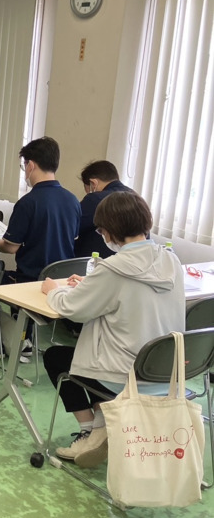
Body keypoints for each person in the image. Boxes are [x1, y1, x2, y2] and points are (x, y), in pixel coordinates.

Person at [40, 191, 184, 467]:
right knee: (99, 352)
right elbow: (131, 295)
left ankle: (91, 430)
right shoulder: (171, 261)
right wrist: (91, 285)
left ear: (109, 230)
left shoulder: (114, 268)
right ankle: (104, 424)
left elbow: (72, 308)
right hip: (167, 371)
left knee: (58, 358)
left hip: (124, 376)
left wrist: (53, 290)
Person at [0, 137, 81, 357]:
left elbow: (10, 247)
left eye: (24, 166)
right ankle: (25, 339)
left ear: (31, 165)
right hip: (61, 280)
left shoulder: (28, 202)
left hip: (31, 280)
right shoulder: (72, 200)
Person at [74, 160, 134, 258]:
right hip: (130, 261)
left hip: (93, 262)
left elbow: (71, 228)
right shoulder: (136, 197)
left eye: (87, 190)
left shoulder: (95, 199)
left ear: (93, 183)